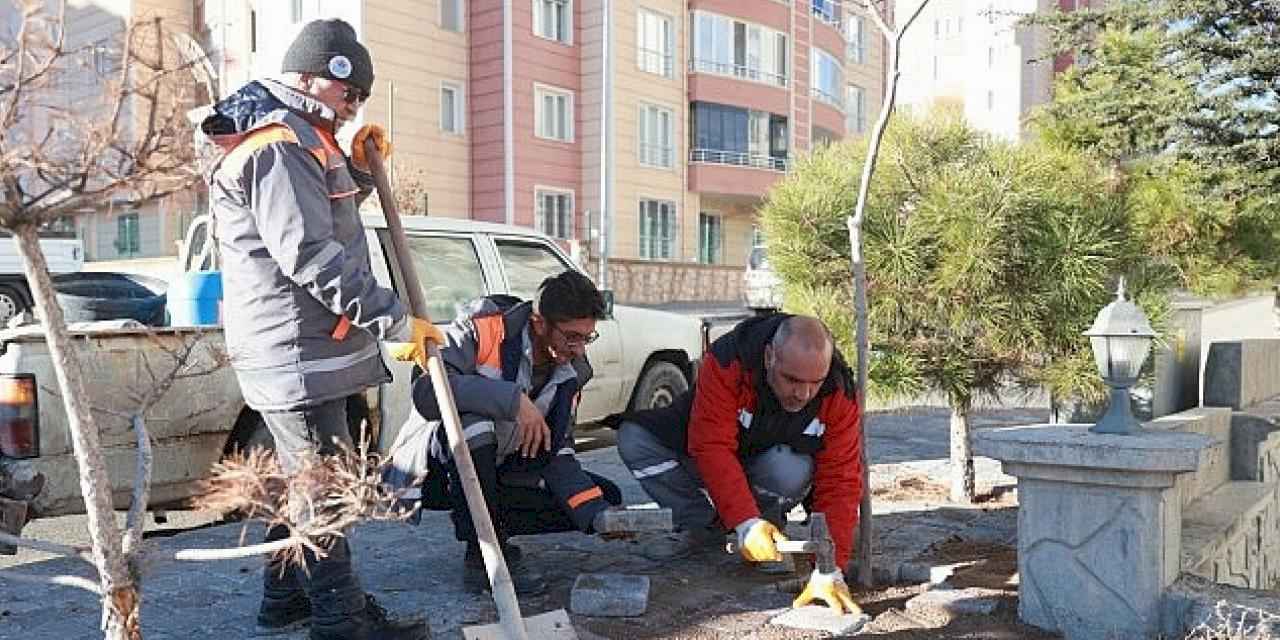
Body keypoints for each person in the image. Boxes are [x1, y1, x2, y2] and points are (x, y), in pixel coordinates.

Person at [200, 18, 438, 640]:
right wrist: (394, 319)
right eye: (347, 91)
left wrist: (359, 172)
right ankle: (342, 622)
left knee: (299, 485)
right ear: (311, 76)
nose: (353, 105)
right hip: (297, 352)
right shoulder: (278, 143)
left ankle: (285, 601)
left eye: (362, 96)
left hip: (303, 347)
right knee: (324, 495)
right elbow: (308, 254)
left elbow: (322, 217)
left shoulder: (299, 136)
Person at [615, 313, 865, 614]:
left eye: (815, 382)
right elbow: (711, 445)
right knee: (634, 439)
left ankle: (768, 529)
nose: (803, 394)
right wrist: (744, 521)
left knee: (791, 469)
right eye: (792, 380)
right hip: (701, 454)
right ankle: (708, 527)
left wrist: (829, 569)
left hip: (766, 466)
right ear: (769, 355)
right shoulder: (728, 359)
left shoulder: (839, 389)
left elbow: (841, 480)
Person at [411, 270, 624, 596]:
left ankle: (493, 525)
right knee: (475, 425)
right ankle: (482, 554)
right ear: (540, 324)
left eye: (586, 337)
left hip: (503, 471)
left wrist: (595, 515)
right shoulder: (482, 326)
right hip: (441, 471)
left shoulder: (572, 370)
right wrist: (513, 402)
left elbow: (558, 450)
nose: (580, 350)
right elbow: (427, 391)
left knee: (604, 499)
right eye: (571, 337)